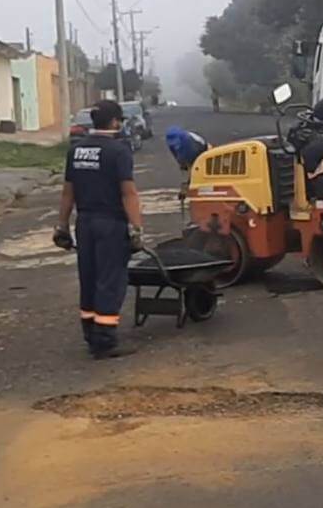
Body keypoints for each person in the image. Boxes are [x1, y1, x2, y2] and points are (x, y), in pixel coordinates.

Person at [53, 100, 145, 359]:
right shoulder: (119, 151)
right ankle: (104, 340)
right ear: (115, 122)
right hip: (110, 224)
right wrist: (136, 228)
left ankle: (91, 333)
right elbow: (128, 192)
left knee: (90, 276)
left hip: (85, 223)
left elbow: (68, 191)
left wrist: (62, 225)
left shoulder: (77, 150)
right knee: (110, 279)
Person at [165, 126, 211, 200]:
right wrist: (181, 163)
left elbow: (194, 161)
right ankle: (189, 189)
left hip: (204, 150)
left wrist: (190, 179)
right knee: (187, 171)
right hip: (189, 153)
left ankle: (202, 192)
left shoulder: (189, 143)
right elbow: (175, 154)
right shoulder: (171, 144)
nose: (174, 145)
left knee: (200, 173)